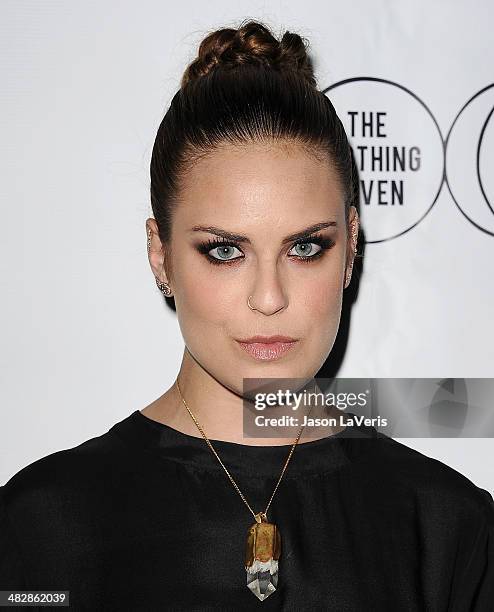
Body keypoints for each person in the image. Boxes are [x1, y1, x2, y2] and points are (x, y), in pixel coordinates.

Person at [1, 18, 493, 611]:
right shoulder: (41, 526)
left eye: (305, 247)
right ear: (160, 255)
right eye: (226, 251)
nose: (268, 297)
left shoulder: (447, 528)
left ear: (351, 248)